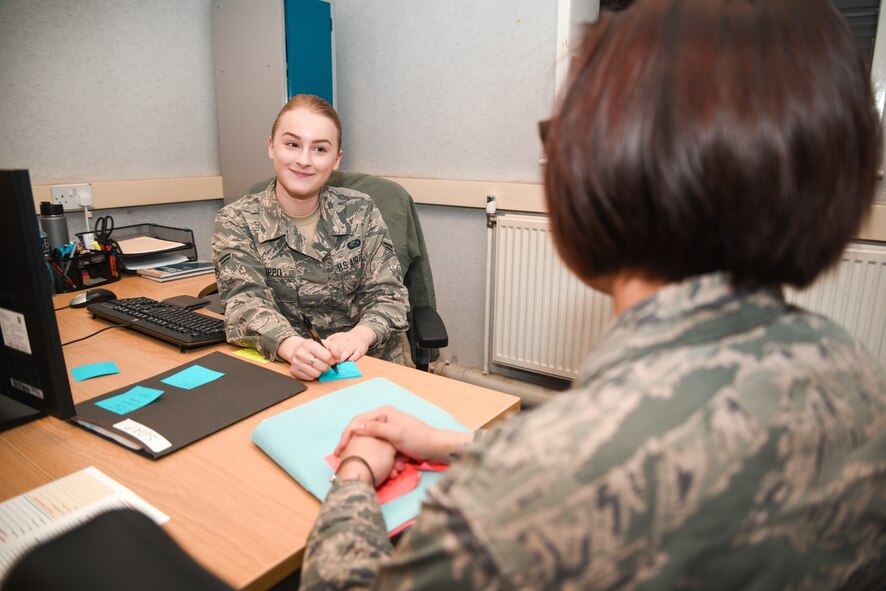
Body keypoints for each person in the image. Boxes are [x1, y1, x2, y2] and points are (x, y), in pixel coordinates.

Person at [298, 0, 886, 588]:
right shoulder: (855, 371)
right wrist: (453, 443)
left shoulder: (528, 497)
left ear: (606, 172)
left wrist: (354, 474)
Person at [212, 95, 408, 381]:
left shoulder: (360, 210)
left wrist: (360, 336)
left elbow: (390, 296)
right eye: (292, 144)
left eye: (320, 149)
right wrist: (292, 347)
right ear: (271, 147)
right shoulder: (237, 221)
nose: (304, 160)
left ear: (336, 159)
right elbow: (245, 304)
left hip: (369, 365)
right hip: (286, 369)